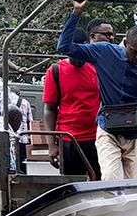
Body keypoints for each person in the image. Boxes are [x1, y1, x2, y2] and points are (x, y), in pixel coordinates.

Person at [56, 0, 137, 181]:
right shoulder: (104, 52)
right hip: (108, 129)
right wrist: (76, 13)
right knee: (112, 180)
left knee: (133, 186)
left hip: (135, 134)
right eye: (135, 52)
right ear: (126, 44)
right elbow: (64, 46)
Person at [42, 28, 100, 178]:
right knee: (72, 185)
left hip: (96, 139)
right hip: (68, 139)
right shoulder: (55, 71)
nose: (77, 57)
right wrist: (51, 145)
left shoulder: (97, 69)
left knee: (100, 182)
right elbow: (49, 109)